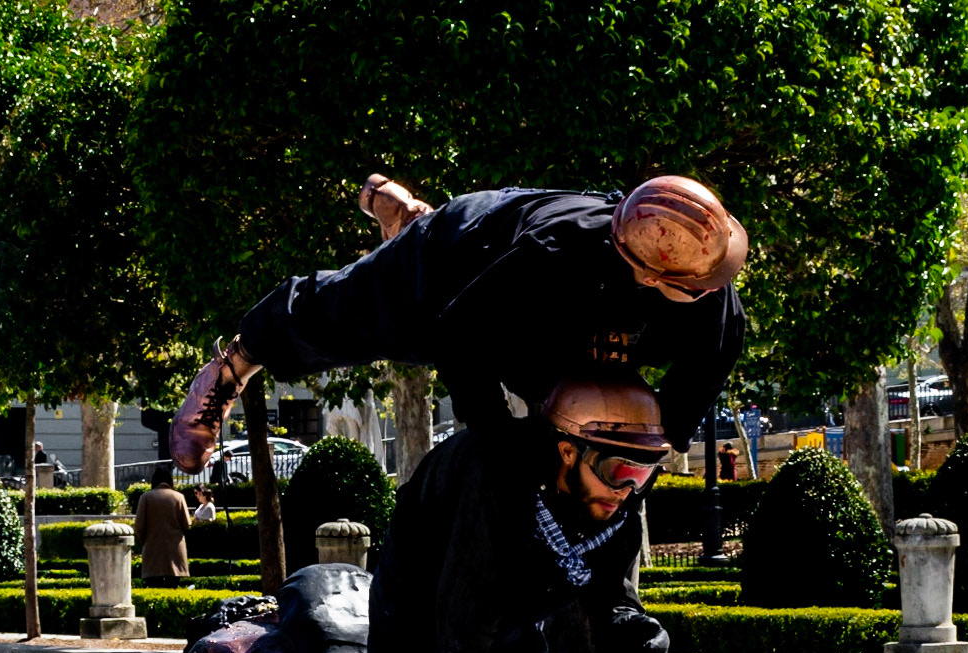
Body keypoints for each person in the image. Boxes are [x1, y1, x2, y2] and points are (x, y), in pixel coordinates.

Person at [171, 173, 748, 469]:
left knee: (587, 410)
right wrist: (497, 443)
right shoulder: (551, 254)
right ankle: (230, 367)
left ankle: (400, 210)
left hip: (558, 328)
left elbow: (667, 426)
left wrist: (637, 452)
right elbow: (462, 339)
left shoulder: (712, 293)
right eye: (686, 290)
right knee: (344, 312)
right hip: (456, 260)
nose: (703, 294)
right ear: (646, 276)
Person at [363, 371, 672, 653]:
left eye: (643, 475)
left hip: (508, 628)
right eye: (619, 472)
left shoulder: (614, 507)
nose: (626, 491)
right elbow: (467, 606)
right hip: (415, 615)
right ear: (568, 452)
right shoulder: (495, 478)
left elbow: (606, 587)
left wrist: (629, 629)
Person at [132, 465, 191, 584]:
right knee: (173, 590)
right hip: (175, 551)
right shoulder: (178, 497)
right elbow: (187, 524)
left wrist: (145, 541)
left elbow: (138, 526)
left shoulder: (146, 497)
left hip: (152, 550)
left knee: (153, 587)